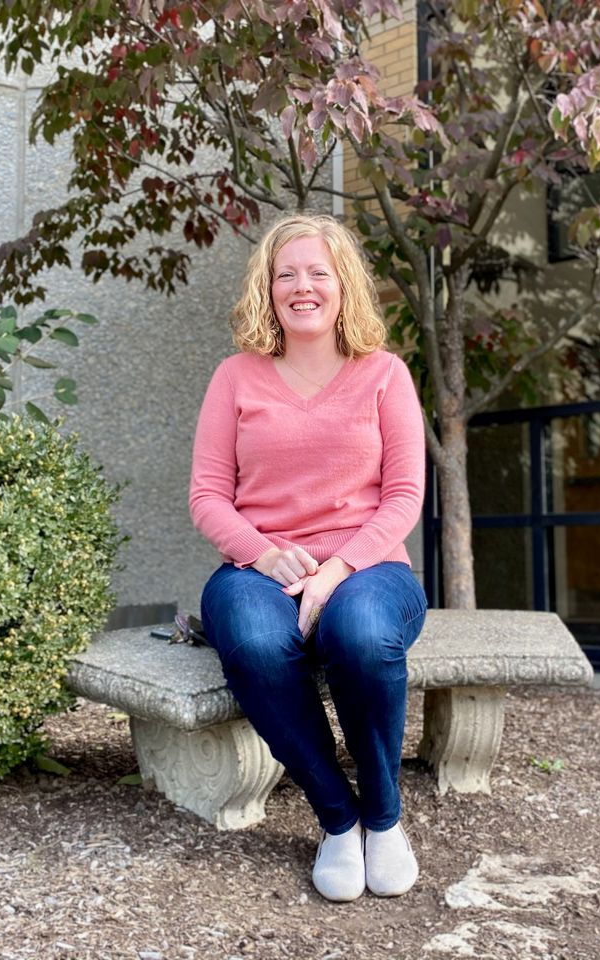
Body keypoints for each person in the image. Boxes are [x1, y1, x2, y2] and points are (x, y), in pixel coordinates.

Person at [188, 214, 427, 902]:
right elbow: (207, 497)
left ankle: (383, 819)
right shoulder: (235, 378)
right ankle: (338, 815)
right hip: (260, 570)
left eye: (318, 272)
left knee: (360, 633)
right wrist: (263, 557)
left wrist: (339, 569)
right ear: (268, 289)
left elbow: (405, 494)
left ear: (343, 285)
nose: (303, 287)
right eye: (286, 273)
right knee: (255, 641)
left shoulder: (384, 374)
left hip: (370, 565)